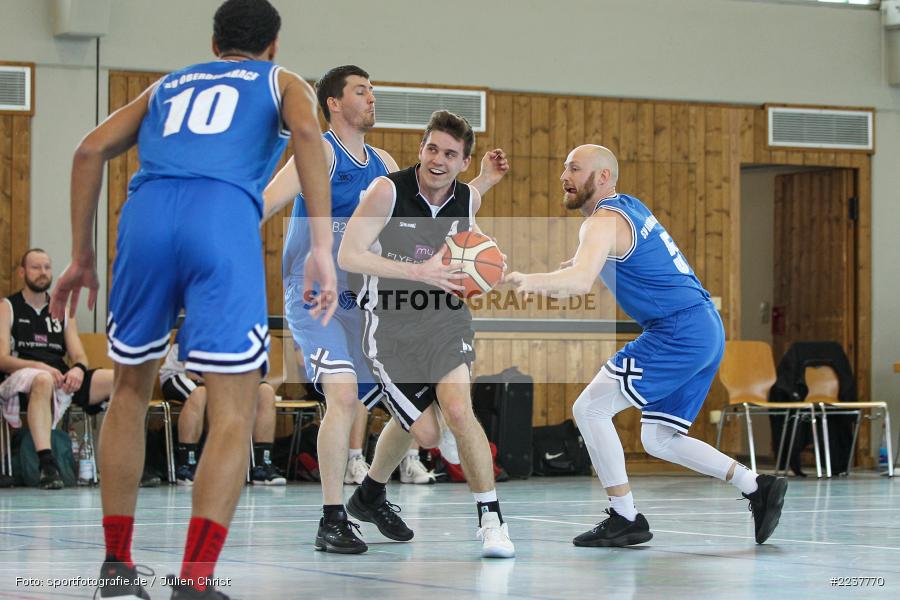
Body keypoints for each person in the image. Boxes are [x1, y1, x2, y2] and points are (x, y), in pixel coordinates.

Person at [49, 1, 336, 598]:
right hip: (220, 216)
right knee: (233, 408)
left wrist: (80, 256)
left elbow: (86, 151)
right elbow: (309, 133)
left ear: (214, 41)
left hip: (146, 214)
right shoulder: (281, 80)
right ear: (274, 45)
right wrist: (322, 246)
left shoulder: (168, 84)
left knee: (128, 390)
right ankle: (196, 580)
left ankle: (117, 568)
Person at [263, 66, 508, 554]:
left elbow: (437, 205)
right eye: (361, 90)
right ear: (333, 102)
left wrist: (480, 181)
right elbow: (263, 204)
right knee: (343, 396)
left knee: (419, 419)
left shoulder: (383, 163)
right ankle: (332, 517)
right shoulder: (318, 154)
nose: (372, 97)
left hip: (371, 305)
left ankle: (371, 493)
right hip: (319, 298)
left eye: (372, 89)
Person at [504, 144, 788, 547]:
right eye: (564, 167)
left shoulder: (600, 223)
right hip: (704, 327)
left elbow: (580, 281)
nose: (564, 176)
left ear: (602, 177)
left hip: (677, 331)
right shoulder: (629, 207)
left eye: (574, 168)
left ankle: (626, 518)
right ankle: (757, 486)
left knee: (589, 408)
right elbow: (583, 266)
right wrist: (550, 273)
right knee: (659, 438)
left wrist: (528, 281)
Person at [338, 110, 515, 559]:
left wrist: (492, 266)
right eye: (432, 149)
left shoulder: (466, 200)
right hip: (389, 326)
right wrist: (417, 271)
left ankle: (492, 521)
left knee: (458, 408)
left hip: (445, 319)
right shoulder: (387, 192)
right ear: (421, 149)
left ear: (462, 161)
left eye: (450, 154)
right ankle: (371, 493)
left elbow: (472, 228)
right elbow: (349, 255)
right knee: (426, 431)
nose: (438, 159)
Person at [0, 248, 112, 490]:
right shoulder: (8, 306)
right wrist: (38, 366)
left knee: (119, 379)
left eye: (47, 267)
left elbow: (79, 355)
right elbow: (2, 359)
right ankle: (47, 465)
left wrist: (79, 370)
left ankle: (124, 462)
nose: (42, 272)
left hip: (61, 375)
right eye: (36, 267)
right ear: (22, 272)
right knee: (42, 379)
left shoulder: (61, 308)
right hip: (22, 376)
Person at [159, 344, 286, 486]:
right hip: (181, 375)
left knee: (265, 392)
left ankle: (263, 465)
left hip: (226, 378)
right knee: (199, 394)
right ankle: (187, 464)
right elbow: (192, 372)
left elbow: (256, 370)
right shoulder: (200, 325)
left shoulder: (248, 328)